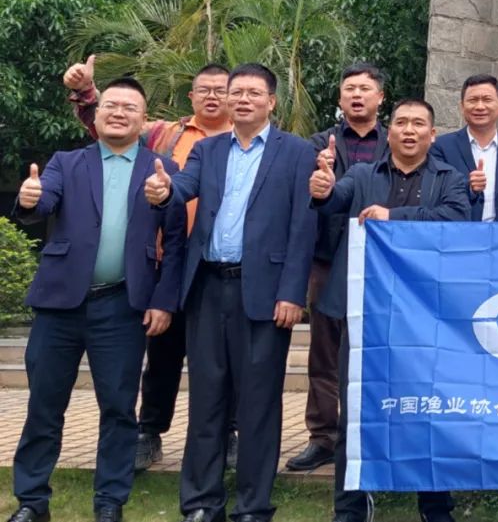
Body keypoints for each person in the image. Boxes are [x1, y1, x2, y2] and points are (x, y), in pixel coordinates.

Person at [144, 63, 317, 522]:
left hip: (265, 295)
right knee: (206, 400)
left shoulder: (296, 152)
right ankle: (201, 503)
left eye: (253, 93)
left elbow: (303, 227)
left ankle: (253, 506)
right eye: (235, 92)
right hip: (207, 288)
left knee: (258, 404)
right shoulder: (208, 149)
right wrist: (165, 190)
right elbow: (184, 186)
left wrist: (292, 292)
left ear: (271, 102)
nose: (242, 99)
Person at [9, 78, 185, 522]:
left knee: (119, 409)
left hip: (123, 306)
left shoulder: (162, 169)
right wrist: (29, 199)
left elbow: (177, 240)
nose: (119, 113)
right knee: (44, 405)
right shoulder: (67, 162)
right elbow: (42, 201)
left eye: (130, 107)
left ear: (144, 120)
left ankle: (110, 502)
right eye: (111, 105)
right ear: (98, 113)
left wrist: (164, 301)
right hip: (60, 305)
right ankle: (32, 501)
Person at [64, 57, 236, 472]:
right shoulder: (164, 133)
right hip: (167, 261)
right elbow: (111, 129)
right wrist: (87, 93)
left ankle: (228, 433)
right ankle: (150, 431)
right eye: (204, 90)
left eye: (221, 90)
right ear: (191, 96)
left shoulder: (246, 140)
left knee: (224, 354)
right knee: (162, 352)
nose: (212, 97)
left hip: (220, 264)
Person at [310, 98, 470, 522]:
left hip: (425, 316)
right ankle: (350, 506)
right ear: (390, 131)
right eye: (401, 122)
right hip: (366, 314)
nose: (409, 130)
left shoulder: (449, 179)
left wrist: (393, 216)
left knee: (429, 411)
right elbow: (335, 200)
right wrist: (323, 189)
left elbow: (457, 219)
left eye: (419, 123)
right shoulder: (363, 174)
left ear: (432, 134)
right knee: (355, 412)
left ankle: (435, 506)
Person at [287, 63, 389, 473]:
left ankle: (372, 432)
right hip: (328, 259)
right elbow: (305, 197)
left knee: (380, 350)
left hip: (382, 263)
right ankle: (323, 437)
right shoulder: (317, 144)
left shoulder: (395, 141)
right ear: (340, 98)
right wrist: (318, 174)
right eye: (349, 89)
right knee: (324, 353)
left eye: (365, 88)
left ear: (381, 97)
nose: (356, 95)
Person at [430, 74, 498, 221]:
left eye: (487, 100)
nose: (480, 106)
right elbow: (434, 194)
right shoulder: (441, 147)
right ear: (462, 107)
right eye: (473, 100)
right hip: (460, 231)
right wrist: (468, 188)